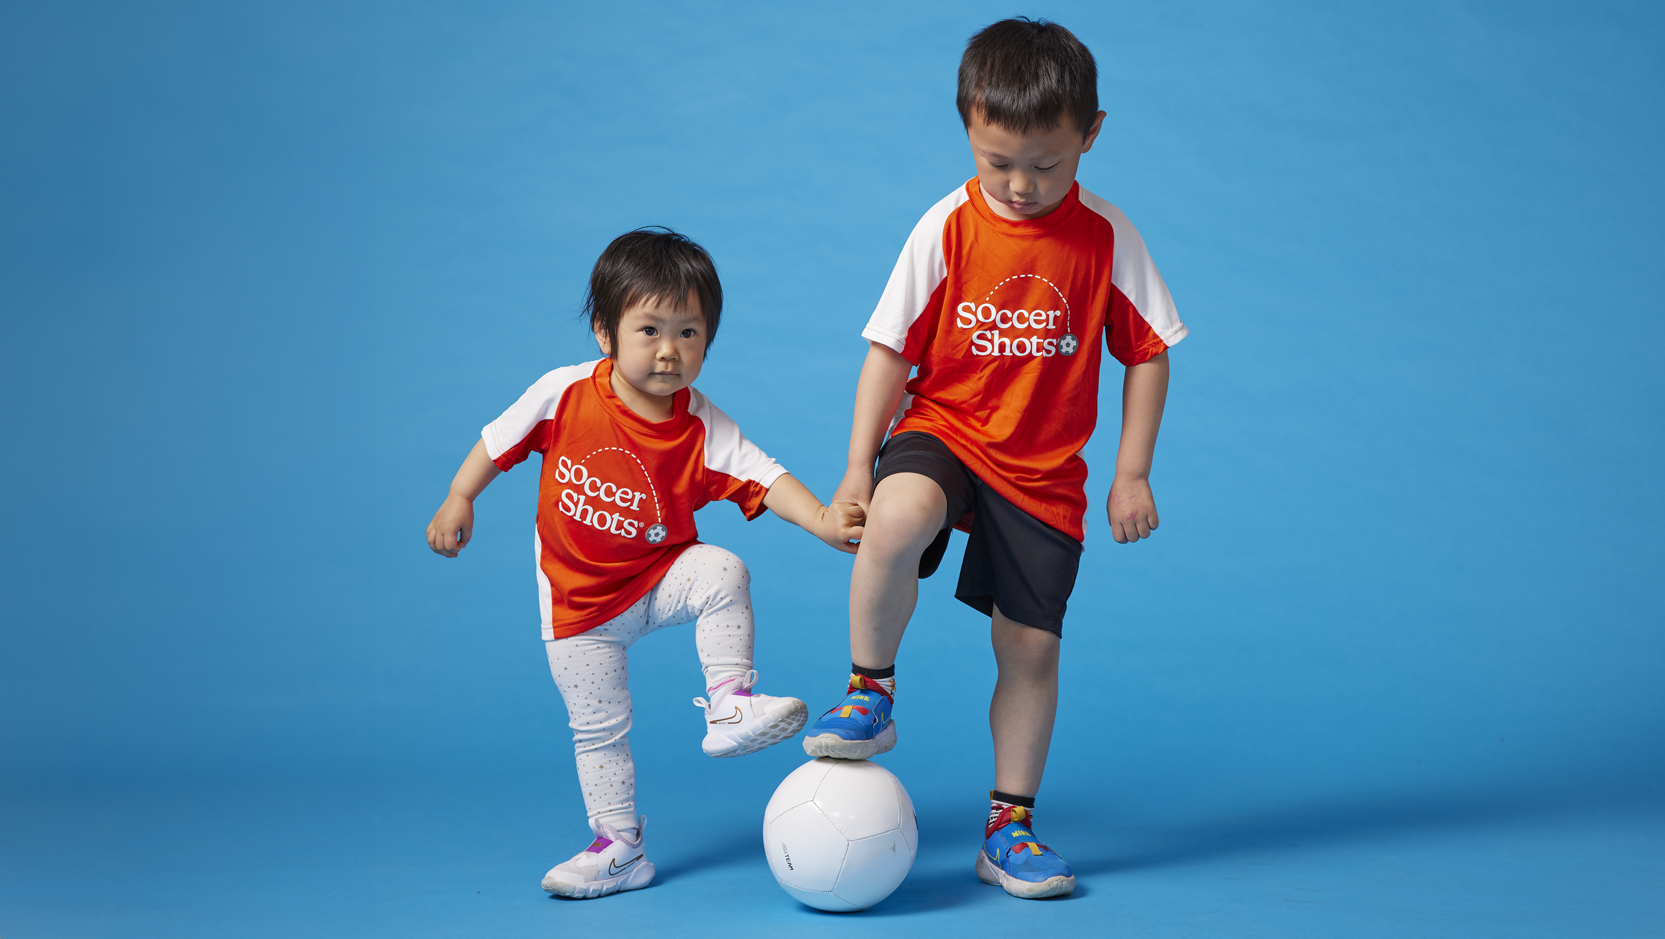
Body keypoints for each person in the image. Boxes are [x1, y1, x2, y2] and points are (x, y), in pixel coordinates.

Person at [801, 18, 1188, 900]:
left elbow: (1151, 350)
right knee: (894, 520)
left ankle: (1007, 828)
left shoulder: (1106, 238)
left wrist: (1132, 470)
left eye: (1045, 166)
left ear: (1091, 134)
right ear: (967, 129)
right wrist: (859, 464)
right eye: (995, 161)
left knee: (1029, 648)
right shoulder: (944, 226)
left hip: (1043, 471)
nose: (1018, 185)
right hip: (945, 427)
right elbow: (888, 350)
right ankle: (869, 690)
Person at [426, 228, 861, 900]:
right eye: (650, 329)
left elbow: (765, 476)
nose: (669, 350)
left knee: (722, 569)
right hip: (576, 608)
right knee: (599, 730)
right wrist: (460, 495)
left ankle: (729, 704)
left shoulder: (701, 425)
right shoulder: (563, 393)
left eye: (689, 333)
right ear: (605, 331)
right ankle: (620, 848)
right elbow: (495, 441)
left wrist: (825, 521)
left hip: (657, 580)